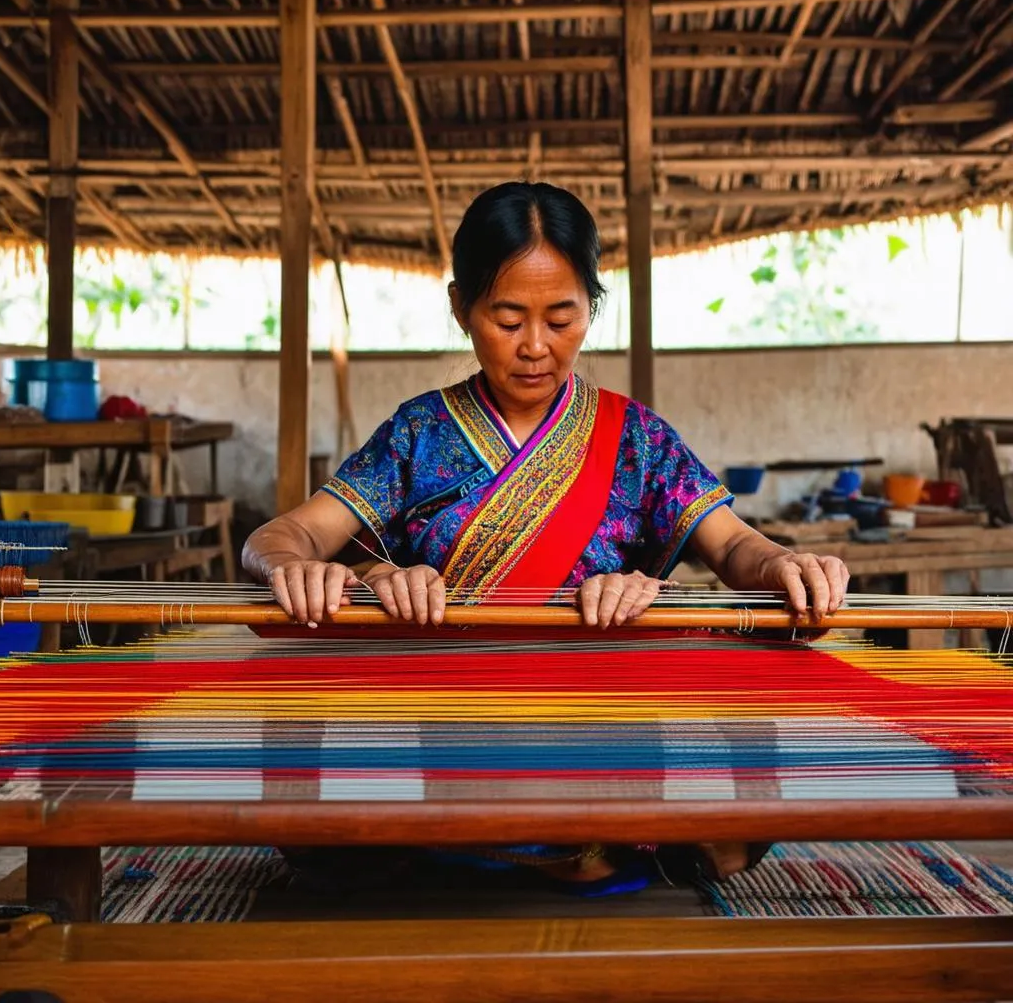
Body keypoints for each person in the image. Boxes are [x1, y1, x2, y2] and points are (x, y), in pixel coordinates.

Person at [242, 181, 849, 894]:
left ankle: (583, 838)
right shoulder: (418, 434)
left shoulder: (636, 441)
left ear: (591, 307)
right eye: (506, 319)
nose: (535, 347)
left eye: (562, 318)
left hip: (601, 759)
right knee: (295, 746)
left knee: (757, 675)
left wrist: (782, 563)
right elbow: (281, 537)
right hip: (435, 759)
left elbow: (735, 547)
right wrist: (312, 570)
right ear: (460, 307)